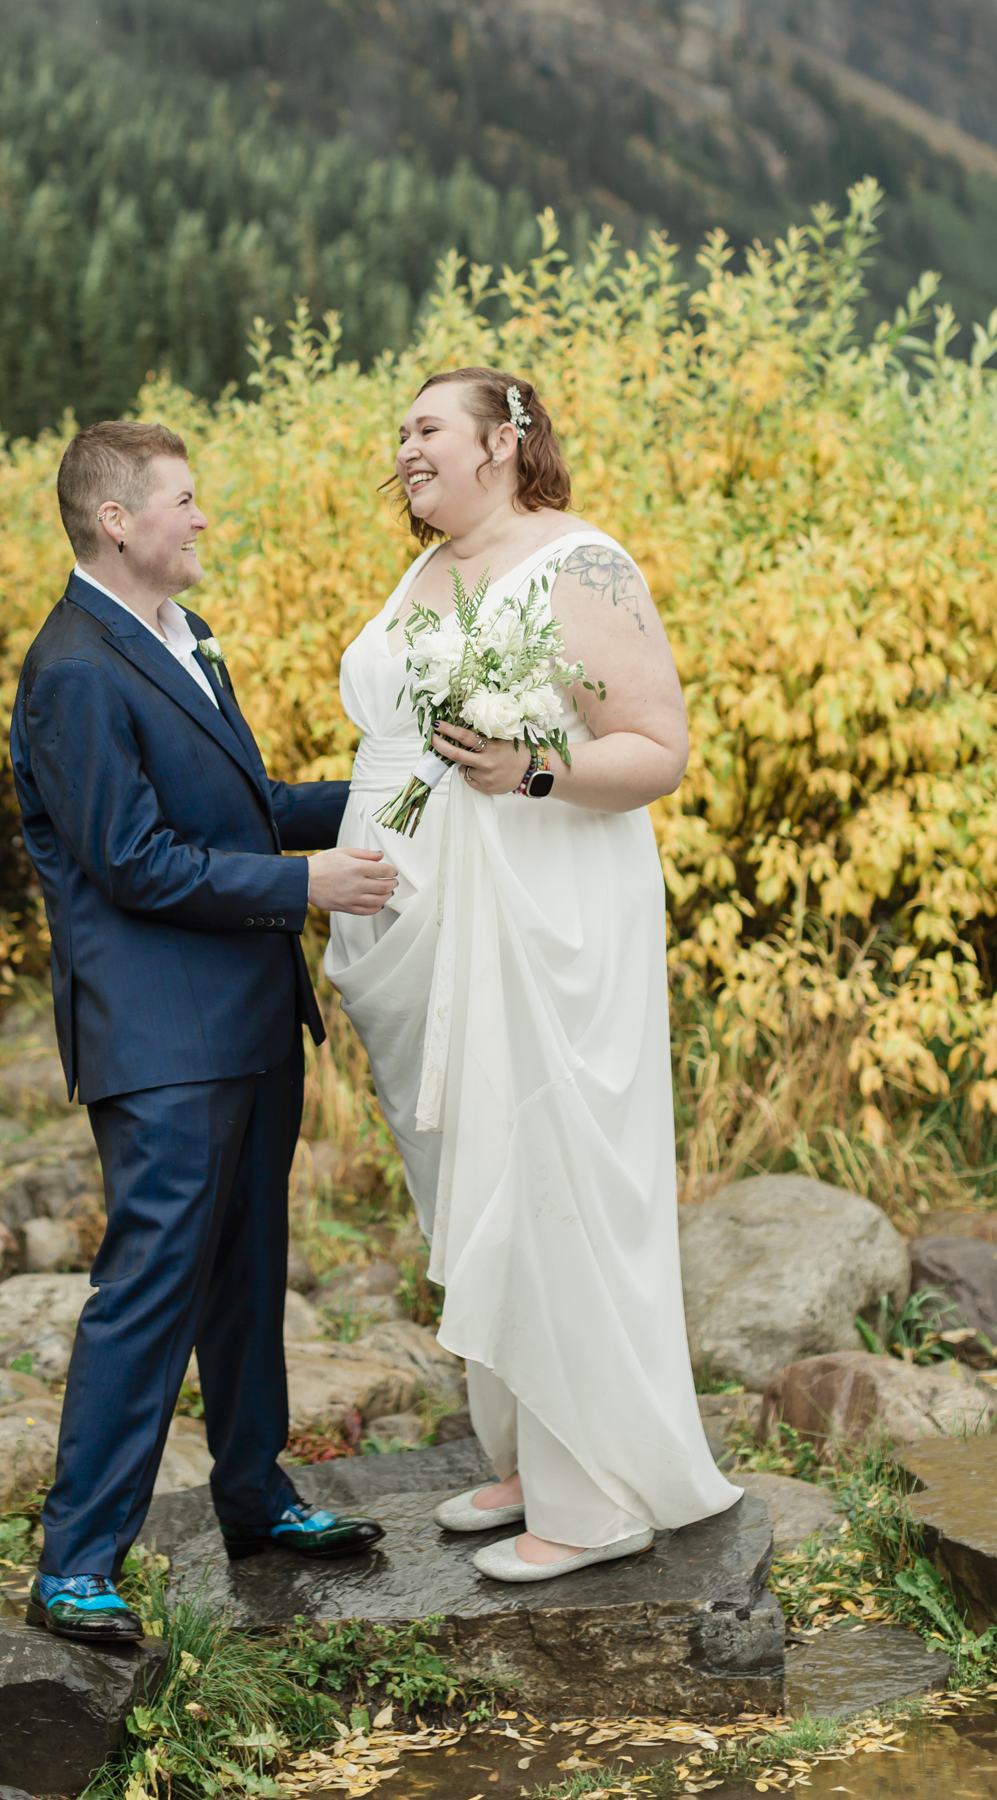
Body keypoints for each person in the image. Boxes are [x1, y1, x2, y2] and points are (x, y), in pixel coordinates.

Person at [324, 368, 741, 1583]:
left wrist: (536, 769)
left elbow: (656, 749)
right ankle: (521, 1460)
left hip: (542, 912)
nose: (402, 449)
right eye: (398, 431)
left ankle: (597, 1497)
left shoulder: (582, 563)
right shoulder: (427, 569)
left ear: (503, 441)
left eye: (426, 430)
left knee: (542, 1167)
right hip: (417, 925)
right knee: (467, 1181)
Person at [9, 420, 398, 1642]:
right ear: (117, 521)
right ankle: (76, 1560)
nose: (202, 518)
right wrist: (303, 890)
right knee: (148, 1286)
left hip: (245, 1018)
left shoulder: (185, 642)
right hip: (161, 1034)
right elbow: (128, 861)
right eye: (184, 500)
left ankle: (254, 1493)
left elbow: (249, 805)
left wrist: (403, 787)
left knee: (244, 1273)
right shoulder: (72, 668)